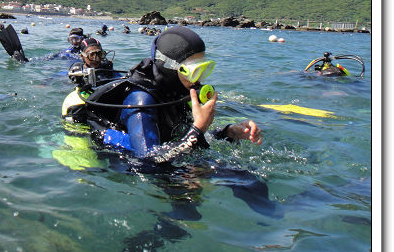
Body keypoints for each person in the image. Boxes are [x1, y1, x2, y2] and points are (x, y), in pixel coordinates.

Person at [84, 26, 262, 162]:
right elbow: (148, 163)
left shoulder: (176, 91)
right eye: (194, 71)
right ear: (169, 68)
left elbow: (179, 136)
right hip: (128, 160)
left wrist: (228, 133)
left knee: (243, 177)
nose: (199, 80)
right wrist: (198, 128)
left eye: (203, 70)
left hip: (165, 154)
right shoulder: (141, 102)